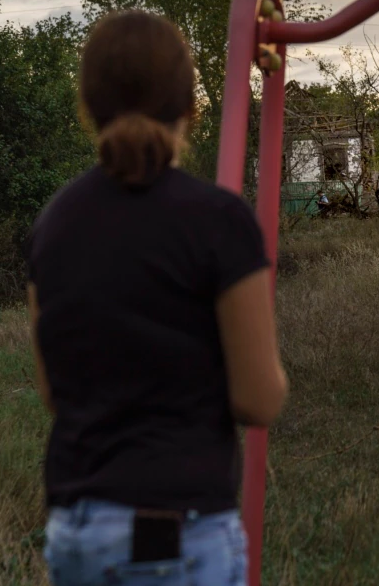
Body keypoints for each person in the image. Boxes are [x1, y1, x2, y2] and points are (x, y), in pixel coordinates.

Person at [25, 11, 289, 586]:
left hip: (76, 530)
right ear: (190, 107)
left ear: (88, 107)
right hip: (178, 537)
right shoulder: (219, 221)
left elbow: (53, 392)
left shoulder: (53, 225)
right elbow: (259, 400)